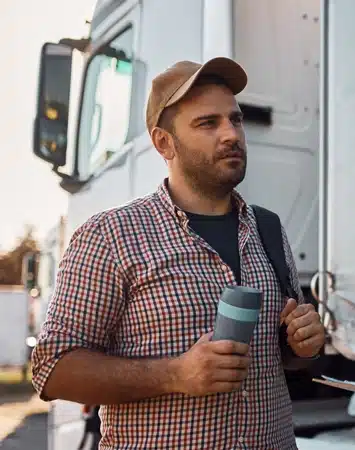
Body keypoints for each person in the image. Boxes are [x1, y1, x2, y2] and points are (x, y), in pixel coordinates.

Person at [30, 57, 325, 449]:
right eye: (208, 123)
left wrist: (305, 345)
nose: (231, 134)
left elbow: (287, 358)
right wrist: (175, 375)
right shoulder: (110, 236)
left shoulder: (268, 229)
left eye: (235, 119)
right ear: (163, 142)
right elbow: (51, 369)